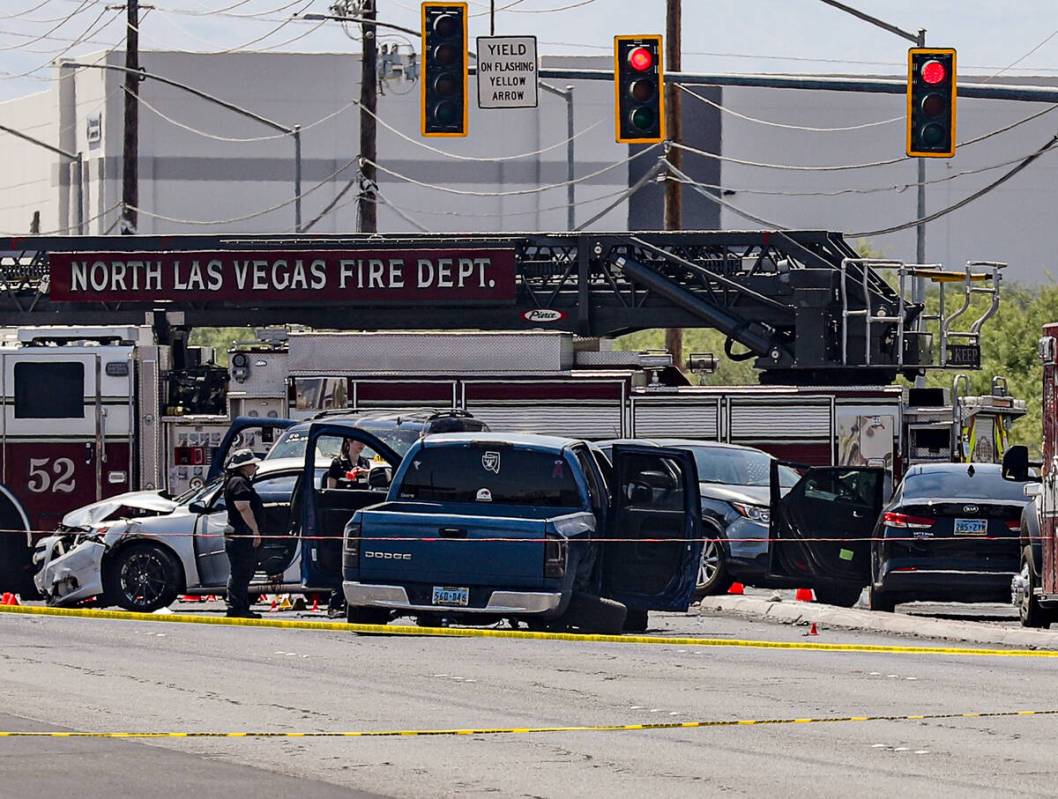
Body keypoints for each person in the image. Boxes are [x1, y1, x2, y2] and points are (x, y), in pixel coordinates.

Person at [223, 449, 265, 619]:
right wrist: (255, 530)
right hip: (241, 533)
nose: (255, 466)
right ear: (243, 466)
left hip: (239, 533)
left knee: (242, 572)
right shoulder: (239, 483)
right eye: (252, 464)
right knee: (240, 571)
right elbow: (243, 507)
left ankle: (240, 606)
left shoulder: (238, 481)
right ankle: (236, 607)